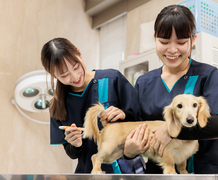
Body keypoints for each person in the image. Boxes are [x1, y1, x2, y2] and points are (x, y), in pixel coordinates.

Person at [123, 4, 218, 175]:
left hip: (204, 173)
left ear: (193, 40)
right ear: (155, 38)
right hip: (160, 174)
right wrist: (129, 151)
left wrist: (172, 130)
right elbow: (133, 130)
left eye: (181, 42)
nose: (172, 49)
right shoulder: (144, 83)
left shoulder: (207, 75)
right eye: (164, 42)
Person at [40, 37, 145, 173]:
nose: (74, 76)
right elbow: (72, 153)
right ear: (52, 74)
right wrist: (75, 144)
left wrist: (125, 115)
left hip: (129, 169)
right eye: (64, 75)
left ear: (79, 54)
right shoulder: (57, 106)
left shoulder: (112, 79)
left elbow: (141, 120)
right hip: (91, 172)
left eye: (76, 67)